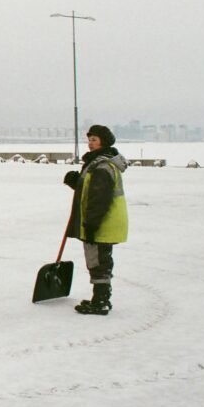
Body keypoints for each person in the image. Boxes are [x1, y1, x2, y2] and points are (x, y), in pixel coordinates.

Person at [63, 124, 129, 316]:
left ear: (104, 142)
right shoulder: (99, 163)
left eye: (94, 140)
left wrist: (91, 224)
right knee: (101, 259)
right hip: (105, 221)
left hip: (102, 222)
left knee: (98, 261)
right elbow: (91, 192)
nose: (90, 144)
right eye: (89, 140)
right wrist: (76, 182)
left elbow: (99, 199)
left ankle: (100, 301)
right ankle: (101, 298)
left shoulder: (102, 166)